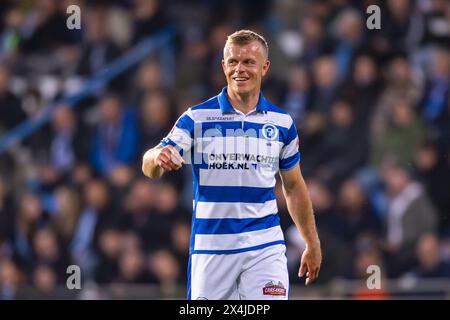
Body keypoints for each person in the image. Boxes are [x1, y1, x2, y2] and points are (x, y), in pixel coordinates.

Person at [142, 30, 321, 300]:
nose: (240, 69)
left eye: (248, 62)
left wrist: (312, 241)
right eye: (233, 61)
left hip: (265, 246)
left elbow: (294, 187)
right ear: (224, 66)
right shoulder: (197, 118)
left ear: (265, 67)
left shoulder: (282, 123)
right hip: (211, 249)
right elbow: (149, 164)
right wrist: (158, 158)